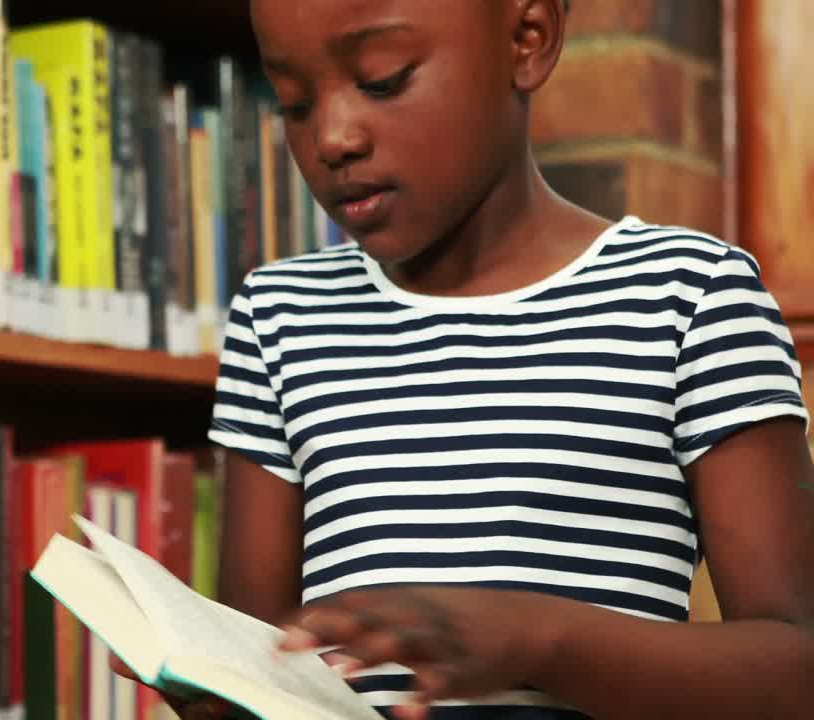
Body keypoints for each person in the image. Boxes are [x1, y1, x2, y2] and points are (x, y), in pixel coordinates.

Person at [113, 0, 814, 718]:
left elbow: (796, 668)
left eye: (382, 80)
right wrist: (213, 687)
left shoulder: (689, 297)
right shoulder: (279, 314)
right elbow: (260, 658)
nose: (333, 137)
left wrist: (540, 640)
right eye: (293, 102)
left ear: (529, 37)